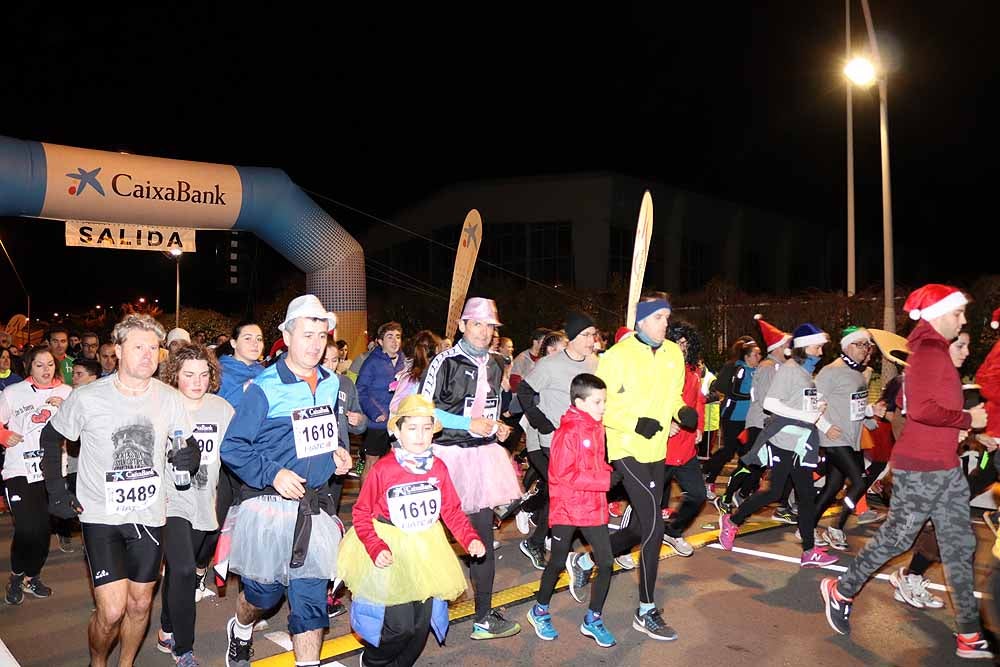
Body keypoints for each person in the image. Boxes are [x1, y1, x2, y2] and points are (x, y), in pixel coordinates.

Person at [819, 284, 992, 660]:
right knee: (897, 538)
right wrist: (968, 418)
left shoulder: (935, 354)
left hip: (942, 466)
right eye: (957, 313)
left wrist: (957, 428)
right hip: (922, 467)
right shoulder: (930, 351)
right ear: (937, 315)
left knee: (960, 546)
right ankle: (841, 590)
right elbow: (922, 411)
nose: (963, 321)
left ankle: (969, 634)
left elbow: (931, 412)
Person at [40, 314, 201, 667]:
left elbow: (184, 448)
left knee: (140, 603)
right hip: (101, 516)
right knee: (111, 611)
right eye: (138, 346)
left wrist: (190, 456)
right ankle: (98, 662)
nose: (147, 354)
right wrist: (55, 490)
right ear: (117, 350)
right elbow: (50, 437)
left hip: (149, 515)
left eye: (153, 348)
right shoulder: (89, 397)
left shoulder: (169, 398)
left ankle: (125, 664)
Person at [220, 295, 352, 667]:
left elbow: (327, 435)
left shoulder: (330, 382)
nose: (315, 344)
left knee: (310, 601)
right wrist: (274, 473)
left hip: (315, 507)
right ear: (287, 336)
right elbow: (232, 447)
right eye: (307, 334)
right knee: (264, 596)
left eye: (321, 336)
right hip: (270, 508)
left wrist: (338, 454)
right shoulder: (263, 387)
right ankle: (241, 628)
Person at [576, 291, 694, 640]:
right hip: (625, 445)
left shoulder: (673, 353)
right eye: (660, 318)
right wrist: (633, 422)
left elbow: (674, 396)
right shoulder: (615, 357)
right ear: (643, 319)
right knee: (656, 526)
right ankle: (645, 610)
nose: (666, 324)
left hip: (657, 448)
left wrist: (681, 411)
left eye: (668, 319)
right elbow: (600, 405)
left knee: (645, 524)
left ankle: (586, 560)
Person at [337, 394, 485, 666]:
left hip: (426, 549)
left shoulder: (438, 468)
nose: (420, 435)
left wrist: (470, 538)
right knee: (399, 626)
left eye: (427, 428)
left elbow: (451, 509)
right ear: (398, 431)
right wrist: (375, 546)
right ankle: (372, 661)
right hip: (389, 548)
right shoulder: (384, 469)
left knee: (419, 628)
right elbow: (361, 512)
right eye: (412, 428)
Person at [419, 297, 523, 640]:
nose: (484, 332)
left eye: (489, 326)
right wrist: (469, 423)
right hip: (445, 457)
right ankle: (407, 616)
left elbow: (488, 410)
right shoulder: (444, 361)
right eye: (477, 324)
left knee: (481, 540)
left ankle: (483, 616)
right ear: (463, 326)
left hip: (481, 458)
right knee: (424, 539)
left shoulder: (496, 363)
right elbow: (422, 409)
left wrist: (497, 427)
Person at [718, 323, 838, 567]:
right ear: (805, 348)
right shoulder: (790, 370)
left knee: (805, 497)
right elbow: (771, 404)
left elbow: (807, 409)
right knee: (775, 492)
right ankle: (733, 521)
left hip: (800, 444)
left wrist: (824, 425)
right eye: (818, 347)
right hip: (785, 442)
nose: (821, 352)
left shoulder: (805, 373)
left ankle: (808, 551)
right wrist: (809, 417)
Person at [156, 344, 235, 666]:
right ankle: (184, 649)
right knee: (185, 570)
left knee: (184, 568)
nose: (197, 381)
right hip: (171, 501)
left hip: (209, 500)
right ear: (175, 374)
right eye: (189, 374)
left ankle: (165, 627)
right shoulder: (160, 406)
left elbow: (234, 455)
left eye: (204, 374)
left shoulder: (222, 408)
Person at [526, 373, 618, 647]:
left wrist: (612, 472)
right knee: (555, 561)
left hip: (592, 506)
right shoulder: (566, 432)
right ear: (579, 402)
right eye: (597, 401)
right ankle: (539, 609)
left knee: (605, 561)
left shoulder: (597, 428)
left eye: (604, 401)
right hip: (567, 507)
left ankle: (593, 619)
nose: (603, 407)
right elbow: (562, 476)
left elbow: (596, 465)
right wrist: (606, 481)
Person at [515, 313, 599, 570]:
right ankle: (545, 541)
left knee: (563, 494)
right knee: (568, 493)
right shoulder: (550, 364)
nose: (591, 340)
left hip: (583, 442)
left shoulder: (595, 363)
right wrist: (541, 422)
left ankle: (543, 538)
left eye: (593, 334)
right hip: (553, 441)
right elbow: (525, 391)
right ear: (572, 337)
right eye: (586, 335)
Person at [1, 346, 73, 604]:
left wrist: (66, 408)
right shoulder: (13, 392)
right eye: (39, 365)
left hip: (53, 471)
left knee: (43, 530)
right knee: (28, 528)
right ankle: (16, 575)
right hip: (20, 468)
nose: (46, 370)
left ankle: (32, 577)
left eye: (50, 365)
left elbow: (82, 428)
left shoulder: (67, 392)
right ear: (29, 367)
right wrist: (3, 435)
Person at [813, 326, 887, 550]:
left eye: (867, 345)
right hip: (834, 438)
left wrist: (871, 416)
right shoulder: (831, 371)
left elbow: (855, 407)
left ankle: (806, 525)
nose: (866, 349)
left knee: (833, 486)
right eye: (861, 344)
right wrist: (824, 427)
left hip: (852, 438)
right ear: (847, 346)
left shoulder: (858, 373)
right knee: (860, 481)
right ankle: (836, 528)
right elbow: (813, 403)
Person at [733, 315, 793, 521]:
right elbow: (769, 399)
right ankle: (733, 494)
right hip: (762, 422)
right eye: (787, 344)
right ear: (777, 347)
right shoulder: (768, 367)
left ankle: (781, 504)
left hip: (772, 423)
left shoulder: (780, 367)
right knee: (755, 464)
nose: (791, 347)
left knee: (769, 465)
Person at [659, 321, 707, 557]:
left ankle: (674, 530)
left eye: (686, 344)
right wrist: (664, 423)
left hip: (685, 447)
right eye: (677, 343)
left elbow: (698, 400)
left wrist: (699, 426)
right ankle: (623, 546)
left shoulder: (694, 370)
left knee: (698, 495)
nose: (682, 348)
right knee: (646, 505)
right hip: (660, 447)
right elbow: (647, 401)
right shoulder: (659, 369)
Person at [53, 358, 102, 553]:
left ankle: (92, 538)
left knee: (94, 500)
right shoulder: (70, 396)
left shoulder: (106, 399)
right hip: (73, 459)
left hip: (97, 462)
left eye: (79, 374)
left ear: (94, 378)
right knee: (75, 496)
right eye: (73, 373)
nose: (73, 378)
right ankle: (65, 531)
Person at [704, 337, 759, 507]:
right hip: (733, 415)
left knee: (746, 453)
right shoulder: (738, 368)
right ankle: (708, 477)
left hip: (747, 418)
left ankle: (745, 487)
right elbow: (732, 391)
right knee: (729, 451)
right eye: (756, 354)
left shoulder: (754, 370)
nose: (759, 357)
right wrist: (753, 397)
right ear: (747, 355)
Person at [356, 322, 406, 482]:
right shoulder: (371, 362)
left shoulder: (404, 361)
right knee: (372, 463)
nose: (395, 341)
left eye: (398, 336)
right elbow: (360, 390)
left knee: (395, 463)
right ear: (380, 341)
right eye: (389, 337)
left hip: (399, 423)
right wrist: (376, 413)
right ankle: (366, 504)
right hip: (377, 424)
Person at [218, 321, 265, 409]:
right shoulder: (218, 372)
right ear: (233, 343)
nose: (255, 344)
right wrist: (242, 391)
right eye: (247, 338)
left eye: (259, 339)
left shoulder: (265, 373)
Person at [510, 328, 549, 392]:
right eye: (544, 342)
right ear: (535, 342)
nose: (547, 345)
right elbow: (514, 383)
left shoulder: (545, 359)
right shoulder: (522, 359)